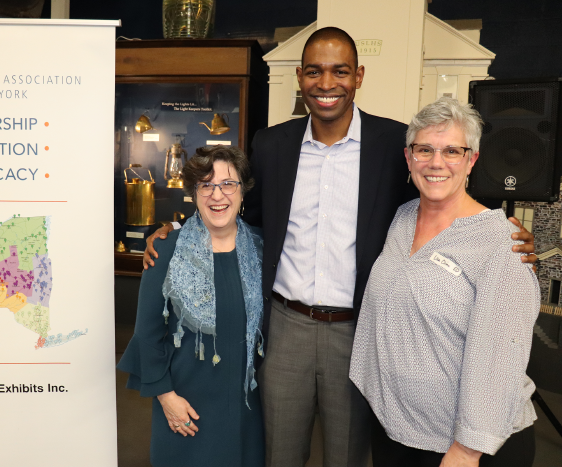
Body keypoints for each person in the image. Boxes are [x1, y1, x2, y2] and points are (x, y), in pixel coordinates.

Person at [143, 28, 537, 467]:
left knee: (348, 456)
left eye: (340, 71)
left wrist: (504, 232)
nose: (326, 83)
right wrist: (176, 230)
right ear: (300, 77)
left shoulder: (395, 145)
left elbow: (442, 192)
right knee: (278, 453)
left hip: (360, 332)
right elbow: (238, 212)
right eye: (314, 71)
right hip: (286, 326)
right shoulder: (271, 145)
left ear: (359, 76)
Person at [349, 97, 539, 467]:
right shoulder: (403, 217)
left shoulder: (502, 243)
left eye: (452, 150)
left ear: (472, 160)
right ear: (409, 158)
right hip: (398, 429)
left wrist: (467, 450)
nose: (437, 163)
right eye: (425, 150)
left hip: (464, 447)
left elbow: (500, 356)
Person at [118, 146, 265, 467]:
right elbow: (146, 332)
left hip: (245, 406)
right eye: (206, 185)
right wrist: (166, 398)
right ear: (194, 192)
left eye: (228, 184)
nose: (217, 195)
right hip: (184, 407)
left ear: (242, 191)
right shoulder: (166, 249)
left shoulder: (260, 247)